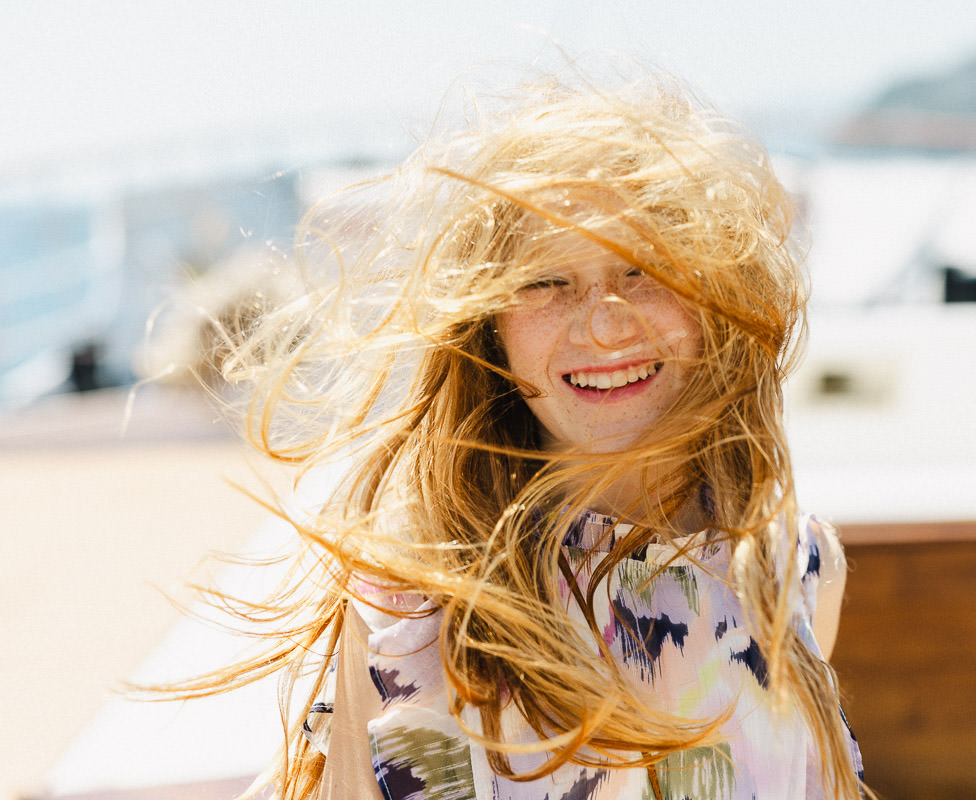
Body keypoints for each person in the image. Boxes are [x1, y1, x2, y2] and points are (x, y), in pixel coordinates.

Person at [180, 69, 867, 800]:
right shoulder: (417, 596)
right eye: (546, 281)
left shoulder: (793, 569)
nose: (604, 322)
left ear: (713, 292)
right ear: (490, 328)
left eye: (644, 270)